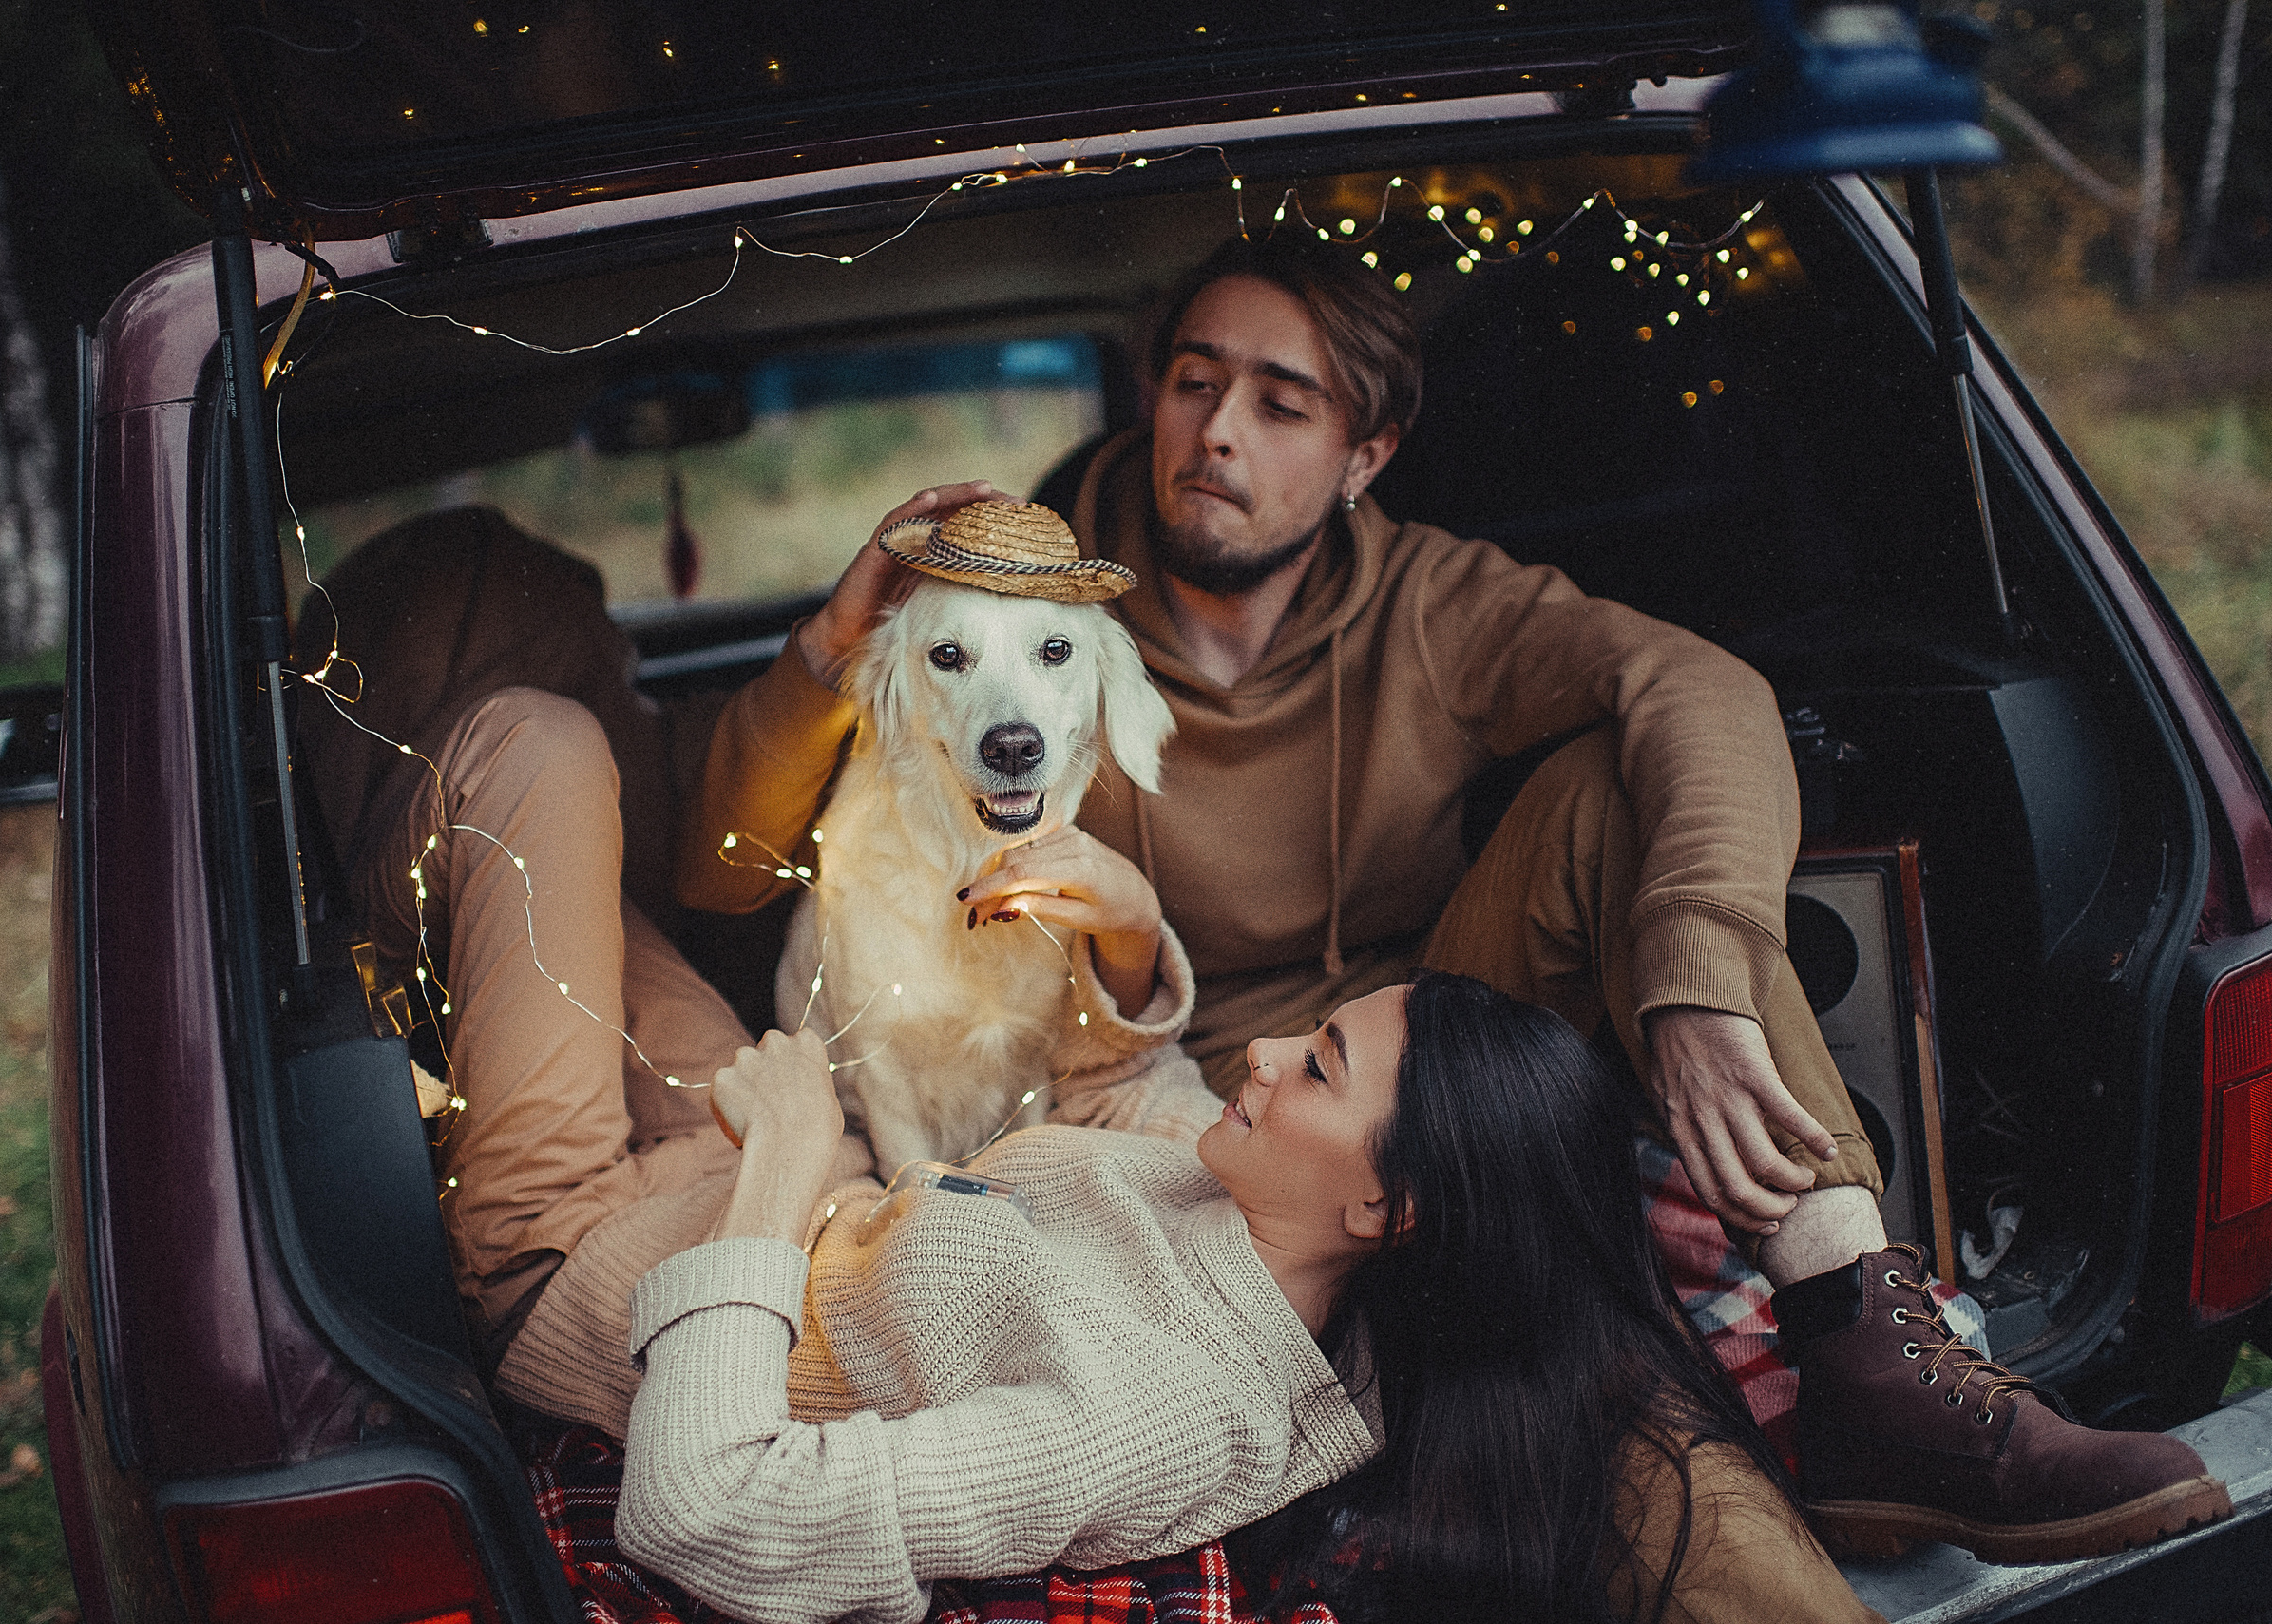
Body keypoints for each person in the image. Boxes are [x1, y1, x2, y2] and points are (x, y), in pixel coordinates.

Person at [678, 235, 2226, 1564]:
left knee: (1629, 786)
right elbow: (729, 873)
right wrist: (836, 636)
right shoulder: (1021, 608)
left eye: (1283, 404)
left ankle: (1865, 1341)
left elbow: (1702, 685)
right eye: (1197, 379)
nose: (1218, 430)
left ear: (1366, 457)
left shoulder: (1432, 600)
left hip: (1400, 1073)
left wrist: (1690, 973)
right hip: (1183, 1121)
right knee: (1609, 1403)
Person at [617, 969, 1880, 1624]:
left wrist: (778, 1169)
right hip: (780, 1182)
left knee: (533, 750)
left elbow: (704, 1508)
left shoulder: (1149, 1410)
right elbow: (1141, 1080)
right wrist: (1122, 931)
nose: (1264, 1054)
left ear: (1389, 1208)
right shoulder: (1240, 1194)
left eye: (1319, 1065)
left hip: (605, 1263)